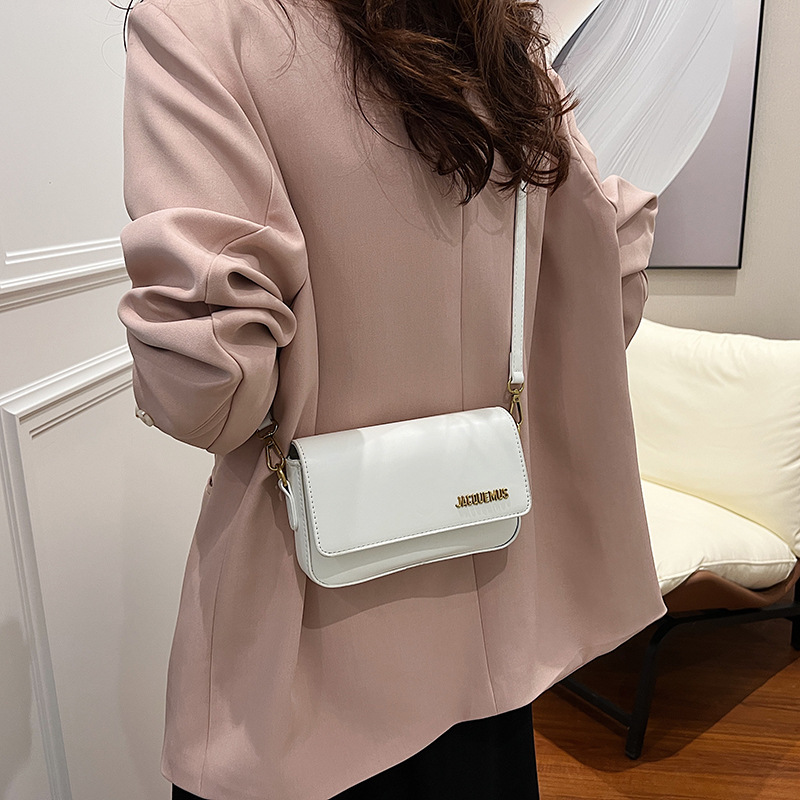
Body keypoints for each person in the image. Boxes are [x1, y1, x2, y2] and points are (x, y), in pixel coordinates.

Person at [117, 1, 668, 798]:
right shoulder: (506, 50)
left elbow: (211, 395)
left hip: (299, 667)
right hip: (487, 634)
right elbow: (603, 309)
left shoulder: (203, 24)